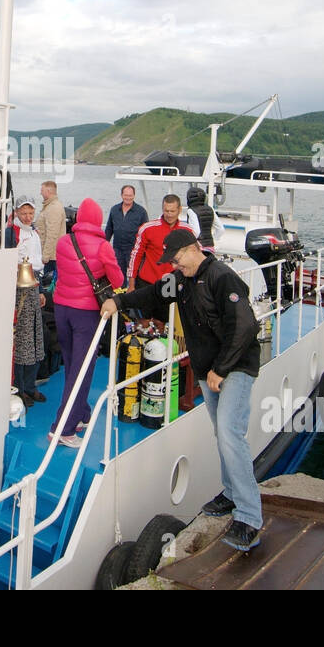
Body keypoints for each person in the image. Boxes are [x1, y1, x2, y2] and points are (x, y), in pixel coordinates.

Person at [100, 228, 263, 551]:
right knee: (222, 433)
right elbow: (150, 295)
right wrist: (117, 301)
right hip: (210, 369)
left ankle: (249, 518)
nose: (175, 266)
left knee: (230, 433)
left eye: (177, 260)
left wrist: (221, 369)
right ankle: (231, 493)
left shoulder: (221, 277)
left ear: (192, 250)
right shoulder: (182, 281)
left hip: (234, 367)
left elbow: (245, 325)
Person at [49, 198, 124, 447]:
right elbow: (118, 279)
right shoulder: (103, 246)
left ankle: (80, 413)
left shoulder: (64, 241)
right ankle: (64, 429)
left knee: (72, 366)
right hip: (85, 313)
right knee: (83, 370)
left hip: (61, 308)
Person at [7, 196, 46, 406]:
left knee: (35, 338)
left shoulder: (34, 232)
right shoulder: (13, 233)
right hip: (18, 291)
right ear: (16, 213)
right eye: (24, 213)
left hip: (33, 286)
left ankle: (31, 386)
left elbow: (38, 263)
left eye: (31, 213)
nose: (28, 216)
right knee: (22, 341)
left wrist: (39, 289)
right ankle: (20, 387)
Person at [126, 194, 195, 292]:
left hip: (174, 283)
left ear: (179, 210)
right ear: (162, 209)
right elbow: (136, 255)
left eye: (172, 211)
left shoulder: (188, 230)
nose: (169, 214)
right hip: (148, 282)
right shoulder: (147, 228)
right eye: (166, 211)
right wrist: (131, 285)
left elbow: (194, 257)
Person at [103, 184, 149, 278]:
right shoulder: (114, 209)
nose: (128, 198)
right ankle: (120, 292)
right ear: (122, 195)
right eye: (126, 195)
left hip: (133, 250)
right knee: (118, 275)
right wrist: (103, 245)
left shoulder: (141, 211)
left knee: (135, 276)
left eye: (130, 195)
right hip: (117, 249)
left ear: (134, 196)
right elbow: (109, 229)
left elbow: (146, 232)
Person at [36, 180, 66, 279]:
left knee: (48, 284)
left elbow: (52, 234)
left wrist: (45, 256)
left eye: (42, 190)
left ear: (48, 192)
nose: (40, 192)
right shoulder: (49, 206)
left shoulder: (54, 208)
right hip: (50, 254)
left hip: (51, 257)